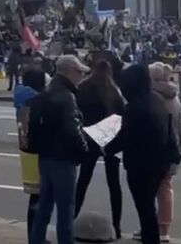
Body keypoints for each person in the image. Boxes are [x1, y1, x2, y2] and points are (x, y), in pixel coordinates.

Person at [106, 65, 181, 244]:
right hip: (159, 163)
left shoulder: (135, 106)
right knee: (148, 209)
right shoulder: (157, 101)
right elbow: (171, 132)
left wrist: (106, 149)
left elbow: (125, 136)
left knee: (145, 210)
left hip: (140, 165)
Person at [27, 55, 89, 244]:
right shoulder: (66, 96)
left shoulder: (44, 94)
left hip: (45, 157)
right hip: (63, 158)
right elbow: (72, 129)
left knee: (44, 205)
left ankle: (36, 240)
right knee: (65, 210)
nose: (81, 76)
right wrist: (84, 150)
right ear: (68, 71)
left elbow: (34, 129)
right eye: (79, 72)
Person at [74, 60, 125, 240]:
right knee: (114, 186)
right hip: (110, 139)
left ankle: (70, 220)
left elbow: (76, 113)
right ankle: (117, 227)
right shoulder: (114, 90)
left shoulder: (84, 88)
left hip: (90, 138)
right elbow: (122, 114)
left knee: (82, 182)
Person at [144, 62, 181, 243]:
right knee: (166, 189)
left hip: (153, 151)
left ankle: (148, 226)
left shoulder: (150, 96)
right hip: (172, 149)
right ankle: (164, 230)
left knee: (147, 192)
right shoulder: (174, 96)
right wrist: (179, 152)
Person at [13, 69, 47, 241]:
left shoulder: (20, 95)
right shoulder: (36, 100)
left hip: (25, 148)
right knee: (41, 197)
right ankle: (36, 236)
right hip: (38, 150)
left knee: (35, 196)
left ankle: (33, 235)